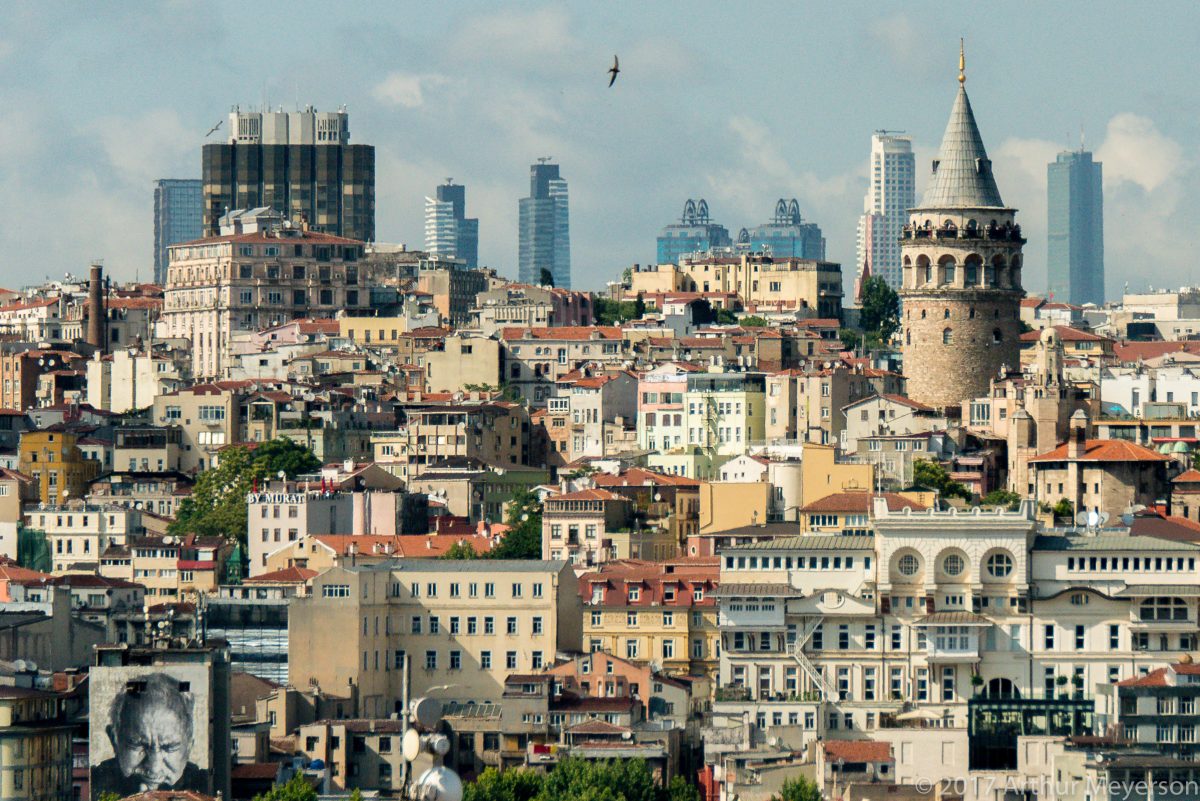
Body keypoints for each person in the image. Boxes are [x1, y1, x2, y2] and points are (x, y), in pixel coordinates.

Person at [91, 672, 205, 798]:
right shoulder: (95, 783)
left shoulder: (205, 786)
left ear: (189, 746)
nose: (154, 768)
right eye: (137, 744)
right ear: (114, 740)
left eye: (169, 747)